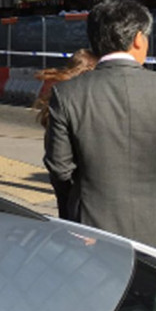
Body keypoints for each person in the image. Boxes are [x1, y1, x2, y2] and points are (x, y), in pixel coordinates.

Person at [43, 0, 156, 259]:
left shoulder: (67, 94)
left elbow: (59, 168)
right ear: (139, 39)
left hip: (93, 239)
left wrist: (73, 221)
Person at [32, 48, 98, 217]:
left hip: (65, 189)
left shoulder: (61, 98)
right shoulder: (85, 103)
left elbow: (57, 165)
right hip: (84, 194)